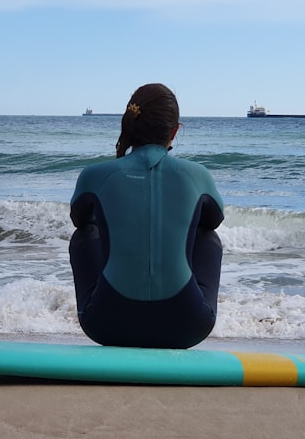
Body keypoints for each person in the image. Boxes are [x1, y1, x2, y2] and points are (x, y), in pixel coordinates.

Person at [69, 83, 224, 348]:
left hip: (107, 324)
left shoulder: (93, 175)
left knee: (84, 235)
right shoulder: (198, 175)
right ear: (175, 131)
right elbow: (214, 220)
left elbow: (78, 219)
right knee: (208, 237)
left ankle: (107, 299)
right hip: (187, 326)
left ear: (129, 124)